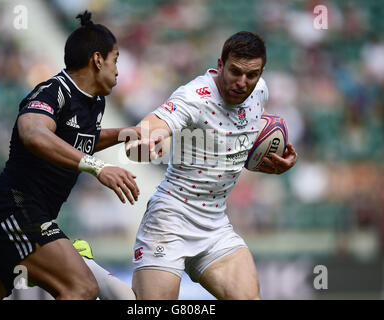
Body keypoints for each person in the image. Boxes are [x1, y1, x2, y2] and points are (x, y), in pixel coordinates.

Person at [0, 11, 138, 300]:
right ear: (97, 60)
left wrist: (125, 134)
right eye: (115, 60)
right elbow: (33, 133)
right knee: (81, 288)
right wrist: (98, 168)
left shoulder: (94, 104)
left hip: (5, 217)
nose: (118, 70)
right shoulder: (54, 91)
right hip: (13, 210)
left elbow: (77, 140)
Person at [126, 31, 298, 299]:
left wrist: (275, 160)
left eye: (251, 75)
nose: (242, 83)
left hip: (215, 224)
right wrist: (147, 137)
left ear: (261, 72)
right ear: (220, 65)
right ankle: (103, 281)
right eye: (235, 72)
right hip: (170, 219)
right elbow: (153, 125)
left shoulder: (260, 91)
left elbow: (242, 136)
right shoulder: (195, 97)